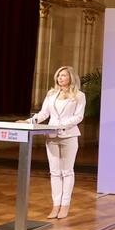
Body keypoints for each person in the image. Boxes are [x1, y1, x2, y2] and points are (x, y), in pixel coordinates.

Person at [22, 66, 86, 219]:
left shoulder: (79, 95)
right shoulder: (51, 94)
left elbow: (79, 117)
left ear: (71, 77)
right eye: (58, 76)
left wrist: (62, 125)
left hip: (69, 136)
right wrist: (28, 121)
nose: (60, 78)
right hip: (51, 136)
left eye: (63, 75)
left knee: (67, 171)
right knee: (55, 172)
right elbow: (44, 113)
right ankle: (55, 205)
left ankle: (65, 205)